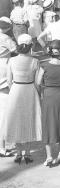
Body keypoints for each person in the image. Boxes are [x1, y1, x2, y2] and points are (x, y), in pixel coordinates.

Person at [3, 34, 41, 164]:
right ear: (31, 46)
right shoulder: (35, 61)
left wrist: (14, 88)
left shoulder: (11, 61)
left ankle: (18, 153)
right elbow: (37, 82)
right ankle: (28, 153)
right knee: (30, 120)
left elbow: (8, 81)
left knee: (16, 120)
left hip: (16, 90)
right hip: (30, 89)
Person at [37, 40, 60, 167]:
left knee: (48, 124)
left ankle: (49, 157)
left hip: (48, 95)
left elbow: (38, 82)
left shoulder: (44, 65)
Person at [0, 18, 16, 157]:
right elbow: (15, 49)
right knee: (4, 114)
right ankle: (2, 146)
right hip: (3, 68)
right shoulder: (5, 37)